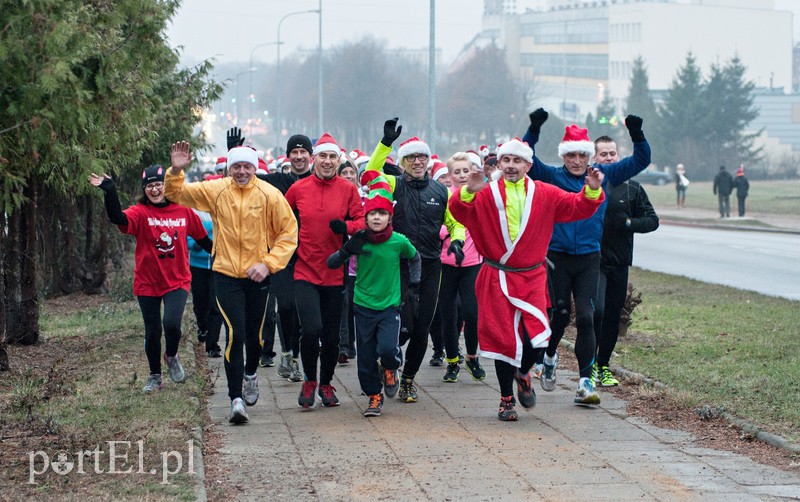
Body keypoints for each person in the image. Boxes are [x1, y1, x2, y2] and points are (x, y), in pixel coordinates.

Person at [448, 138, 606, 421]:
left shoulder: (544, 193)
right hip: (497, 274)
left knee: (539, 337)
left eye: (517, 161)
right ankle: (506, 399)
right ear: (499, 164)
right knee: (503, 339)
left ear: (528, 165)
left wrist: (592, 190)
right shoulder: (487, 194)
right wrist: (468, 193)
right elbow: (459, 213)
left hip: (532, 276)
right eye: (506, 160)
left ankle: (524, 373)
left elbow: (576, 207)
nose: (510, 166)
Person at [522, 109, 650, 405]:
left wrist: (637, 134)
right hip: (557, 256)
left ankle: (584, 381)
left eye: (582, 155)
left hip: (590, 257)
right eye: (571, 156)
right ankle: (550, 355)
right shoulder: (552, 176)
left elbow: (641, 160)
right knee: (560, 315)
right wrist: (534, 128)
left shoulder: (603, 176)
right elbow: (526, 157)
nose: (577, 161)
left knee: (588, 317)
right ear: (564, 157)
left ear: (589, 156)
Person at [165, 142, 298, 425]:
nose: (241, 172)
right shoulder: (217, 190)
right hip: (225, 274)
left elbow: (288, 233)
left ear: (255, 169)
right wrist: (176, 169)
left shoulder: (270, 194)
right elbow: (176, 193)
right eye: (236, 167)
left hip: (258, 276)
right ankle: (236, 399)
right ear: (228, 168)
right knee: (235, 333)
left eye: (247, 167)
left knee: (256, 337)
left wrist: (269, 264)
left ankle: (251, 375)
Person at [364, 117, 463, 403]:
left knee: (422, 328)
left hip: (432, 265)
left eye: (422, 156)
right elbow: (371, 172)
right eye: (411, 158)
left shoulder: (441, 191)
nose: (418, 162)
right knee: (403, 326)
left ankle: (408, 380)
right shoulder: (393, 184)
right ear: (403, 162)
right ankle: (390, 363)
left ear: (428, 161)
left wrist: (457, 240)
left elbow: (456, 222)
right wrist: (385, 144)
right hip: (400, 266)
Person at [89, 165, 212, 394]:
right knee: (153, 330)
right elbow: (117, 217)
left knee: (172, 325)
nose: (155, 190)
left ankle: (172, 355)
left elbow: (205, 241)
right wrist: (109, 190)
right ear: (144, 190)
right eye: (150, 186)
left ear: (167, 187)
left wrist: (227, 258)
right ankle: (155, 375)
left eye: (159, 185)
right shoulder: (140, 213)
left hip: (177, 279)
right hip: (147, 282)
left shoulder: (183, 211)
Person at [327, 173, 421, 417]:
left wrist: (415, 283)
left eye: (381, 213)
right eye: (372, 214)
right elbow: (334, 262)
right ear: (366, 218)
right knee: (366, 356)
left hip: (390, 305)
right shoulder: (359, 240)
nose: (377, 217)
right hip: (363, 305)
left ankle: (391, 368)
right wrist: (347, 249)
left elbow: (415, 258)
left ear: (390, 216)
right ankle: (374, 396)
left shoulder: (398, 241)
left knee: (389, 348)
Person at [285, 133, 365, 410]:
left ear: (338, 160)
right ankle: (309, 380)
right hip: (305, 270)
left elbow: (361, 223)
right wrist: (286, 248)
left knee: (331, 336)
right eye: (323, 156)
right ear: (313, 159)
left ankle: (327, 383)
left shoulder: (348, 189)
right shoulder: (298, 189)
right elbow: (281, 220)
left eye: (332, 157)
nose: (327, 161)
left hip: (335, 271)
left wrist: (346, 228)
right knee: (311, 329)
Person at [592, 136, 659, 387]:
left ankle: (603, 366)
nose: (609, 158)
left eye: (612, 154)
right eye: (603, 154)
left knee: (611, 316)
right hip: (593, 261)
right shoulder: (589, 185)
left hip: (620, 262)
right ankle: (588, 364)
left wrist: (629, 224)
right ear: (594, 158)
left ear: (618, 156)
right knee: (596, 312)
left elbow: (652, 220)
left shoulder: (632, 188)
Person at [438, 152, 485, 383]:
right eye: (457, 172)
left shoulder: (480, 196)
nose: (462, 175)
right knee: (449, 315)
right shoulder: (444, 197)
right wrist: (446, 233)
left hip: (472, 264)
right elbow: (437, 226)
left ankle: (472, 356)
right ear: (450, 176)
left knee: (472, 312)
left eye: (465, 171)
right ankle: (453, 361)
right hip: (446, 264)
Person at [187, 208, 223, 358]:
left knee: (215, 306)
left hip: (219, 266)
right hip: (198, 266)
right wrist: (200, 239)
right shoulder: (194, 213)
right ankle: (202, 327)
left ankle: (212, 345)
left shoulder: (225, 210)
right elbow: (187, 240)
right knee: (200, 304)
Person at [336, 159, 360, 364]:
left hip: (364, 264)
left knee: (358, 306)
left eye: (352, 172)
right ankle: (345, 345)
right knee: (345, 305)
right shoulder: (337, 197)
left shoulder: (366, 196)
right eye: (345, 173)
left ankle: (357, 344)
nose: (349, 176)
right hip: (344, 260)